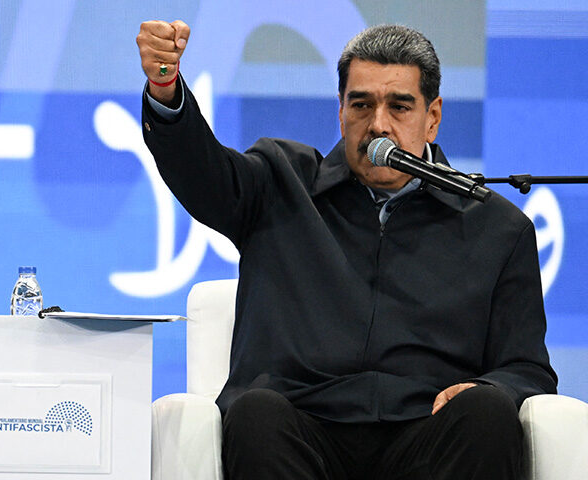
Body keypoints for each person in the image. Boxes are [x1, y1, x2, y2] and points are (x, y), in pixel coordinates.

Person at [137, 20, 557, 480]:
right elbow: (202, 171)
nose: (378, 124)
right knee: (256, 413)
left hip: (427, 433)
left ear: (432, 117)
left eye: (400, 106)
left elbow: (528, 369)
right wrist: (165, 87)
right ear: (340, 111)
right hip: (301, 427)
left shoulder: (497, 228)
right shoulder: (280, 181)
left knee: (486, 412)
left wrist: (485, 387)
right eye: (361, 104)